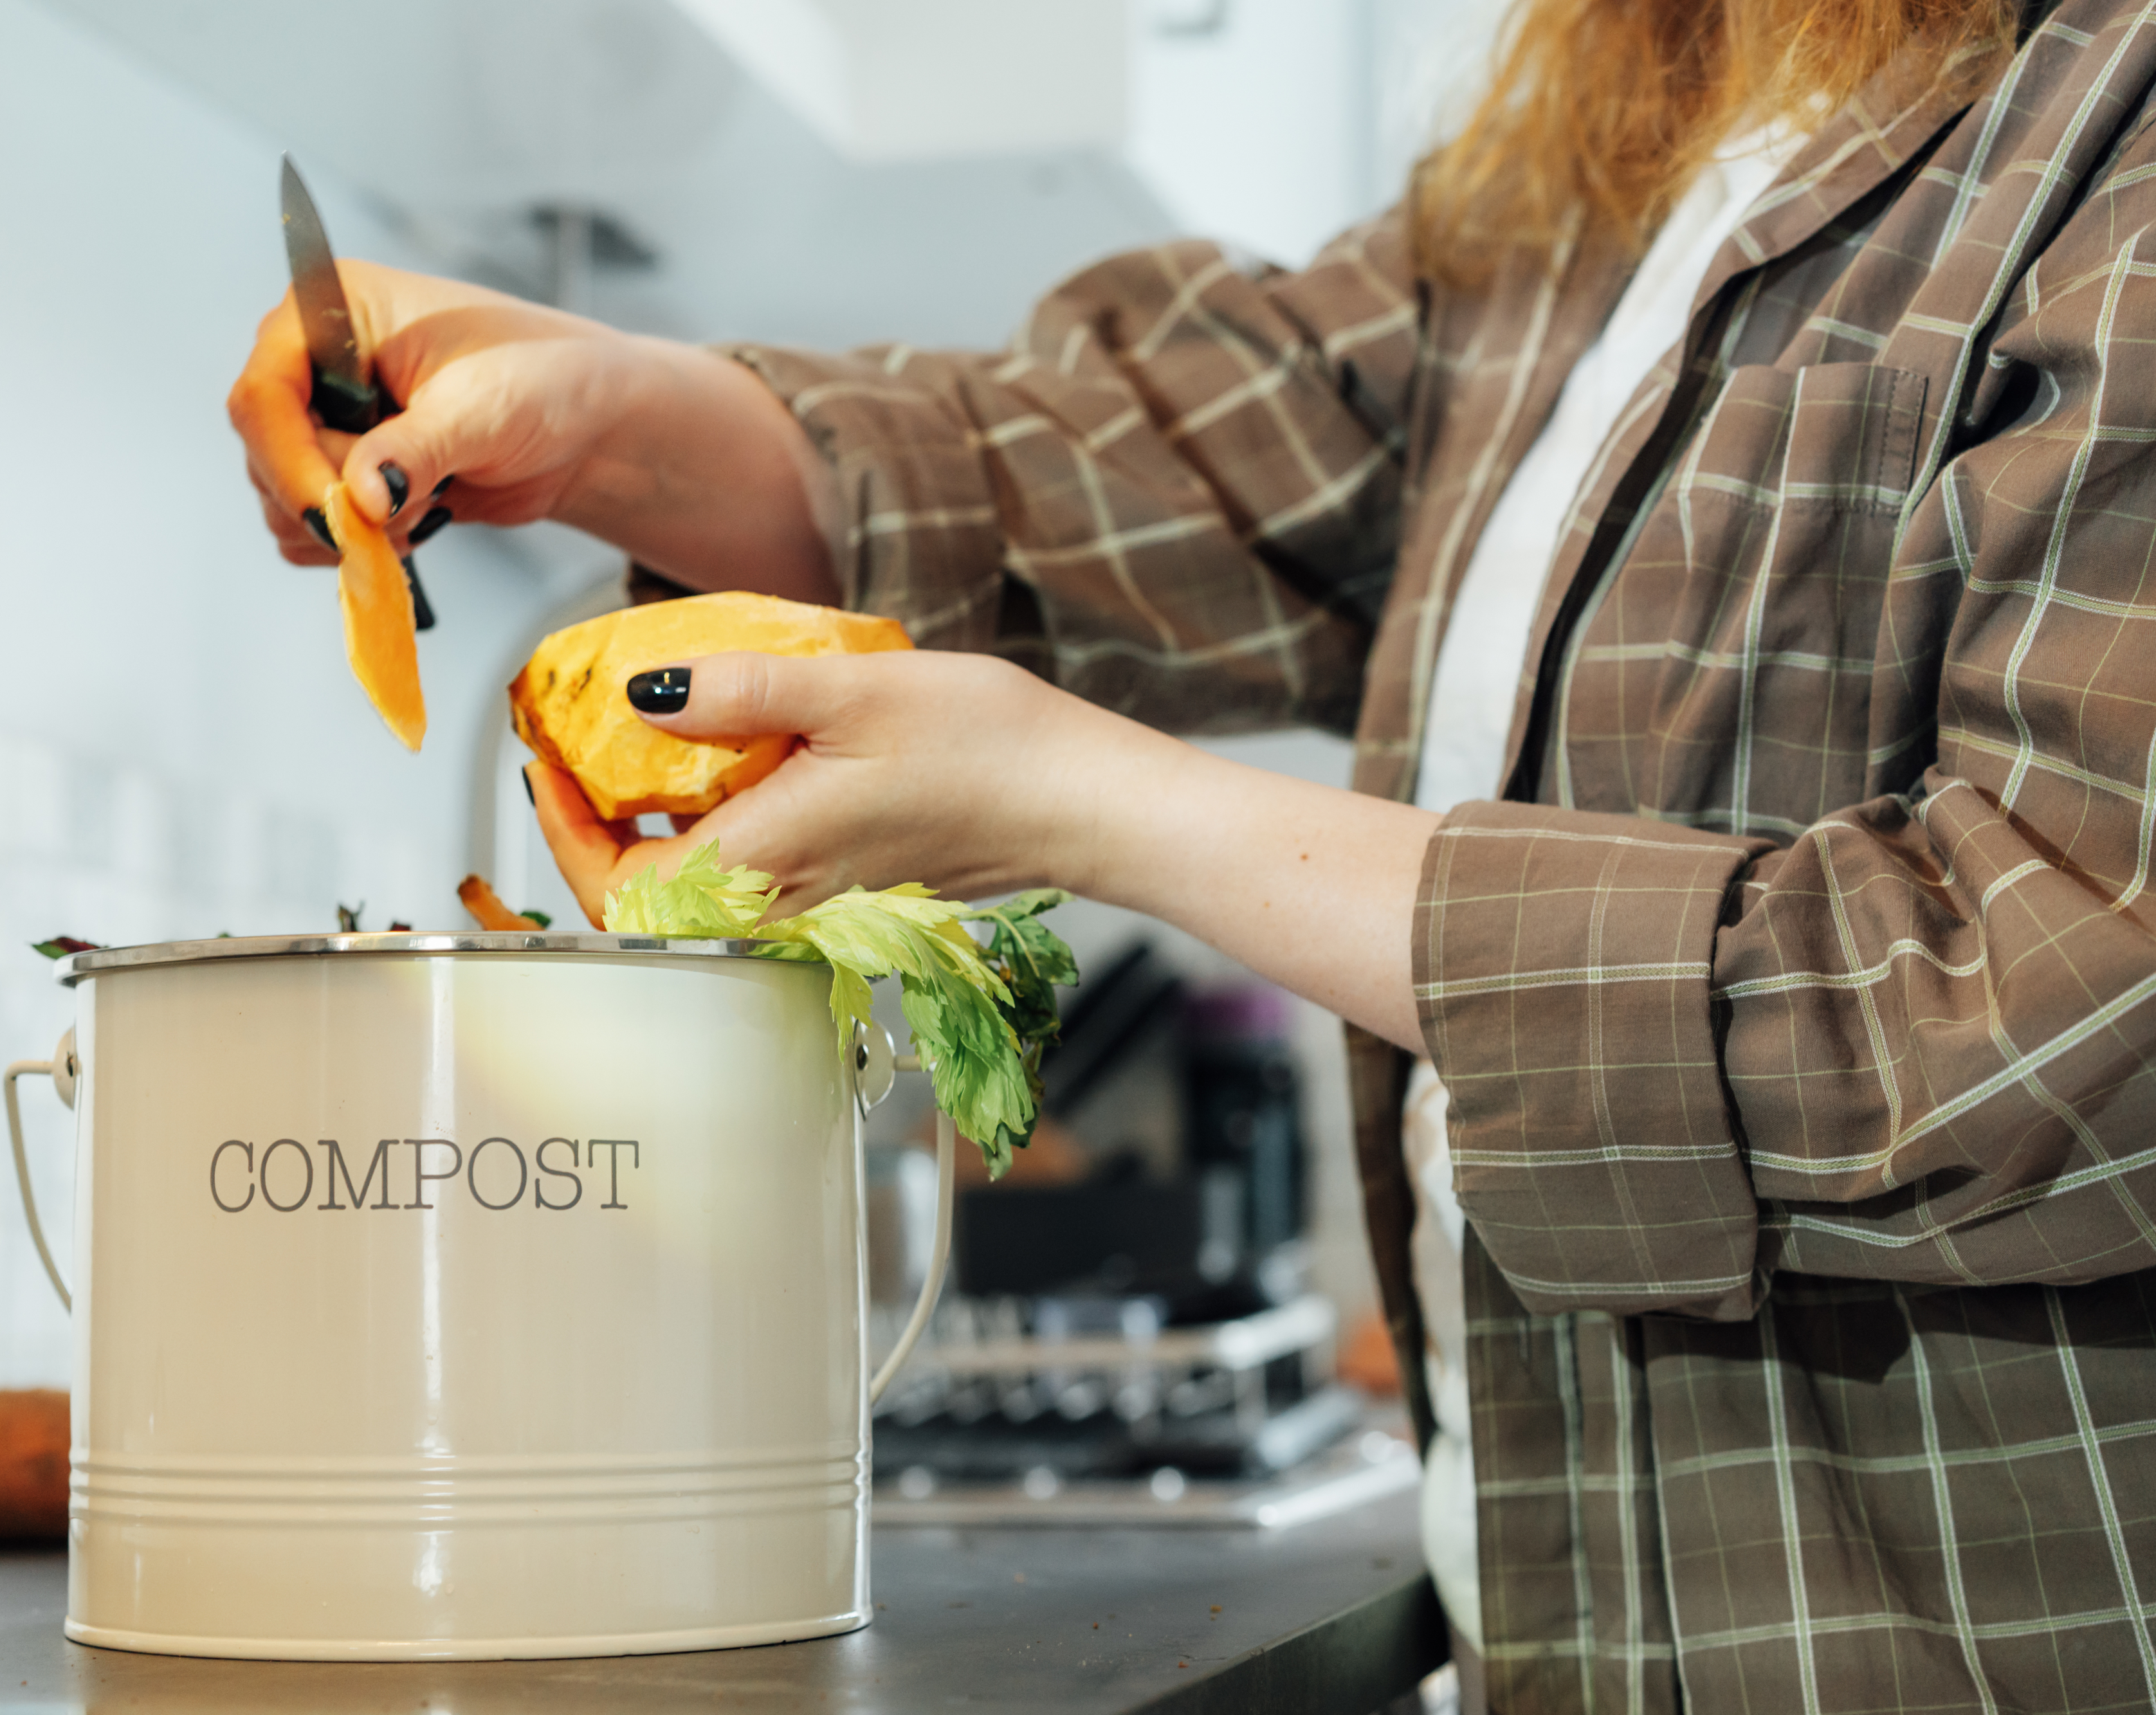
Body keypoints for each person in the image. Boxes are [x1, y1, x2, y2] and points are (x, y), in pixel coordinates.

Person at [229, 0, 2156, 1707]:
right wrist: (622, 418)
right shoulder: (1623, 157)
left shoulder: (2109, 116)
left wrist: (1095, 805)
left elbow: (2053, 1001)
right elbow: (1143, 463)